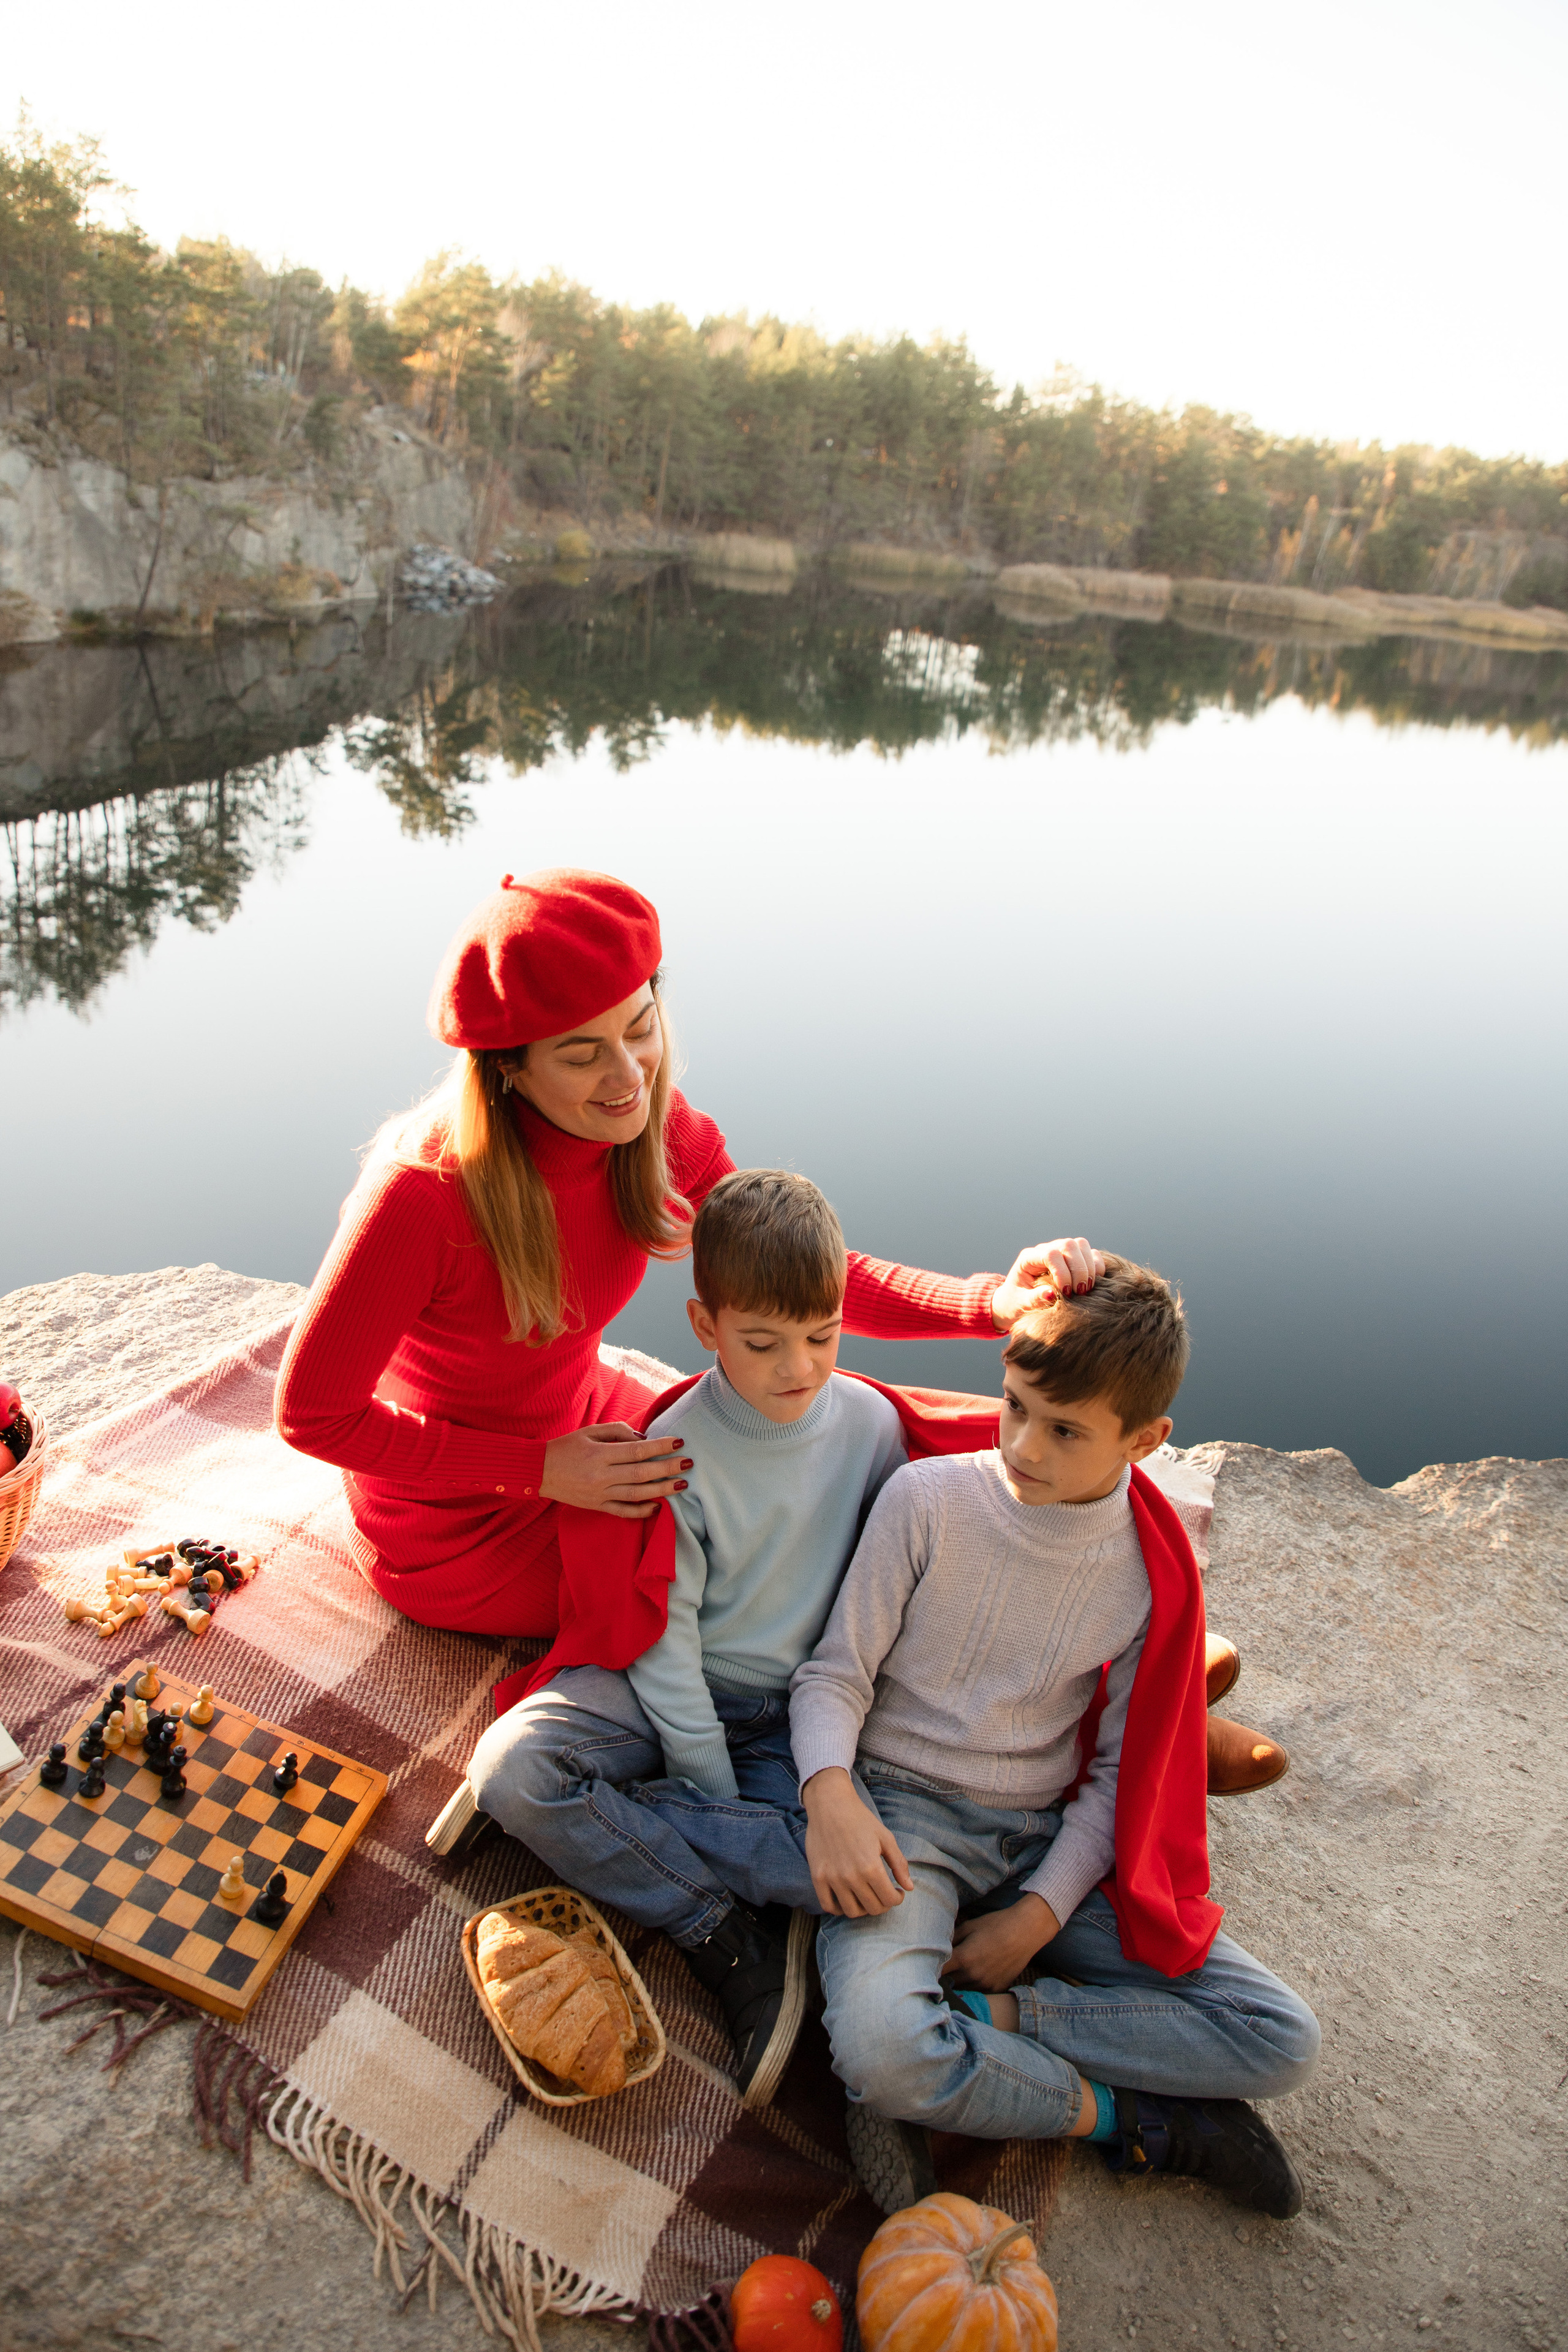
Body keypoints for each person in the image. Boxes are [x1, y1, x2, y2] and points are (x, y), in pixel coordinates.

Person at [274, 869, 1099, 1637]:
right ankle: (1024, 1678)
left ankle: (1078, 1617)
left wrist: (990, 1304)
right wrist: (539, 1469)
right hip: (460, 1521)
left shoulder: (650, 1128)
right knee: (762, 1574)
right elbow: (312, 1414)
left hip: (590, 1428)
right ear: (508, 1070)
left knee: (843, 1445)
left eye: (640, 1029)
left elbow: (801, 1276)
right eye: (581, 1054)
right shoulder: (419, 1195)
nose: (627, 1075)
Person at [791, 1259, 1320, 2220]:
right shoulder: (926, 1501)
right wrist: (829, 1794)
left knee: (1279, 2037)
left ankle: (978, 2026)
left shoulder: (1146, 1571)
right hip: (903, 1824)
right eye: (1015, 1407)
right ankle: (1138, 2120)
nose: (1024, 1446)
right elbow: (836, 1674)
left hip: (1040, 1834)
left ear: (1147, 1441)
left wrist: (1039, 1917)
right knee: (883, 2055)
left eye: (1066, 1431)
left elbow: (1120, 1767)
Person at [472, 1169, 930, 2105]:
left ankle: (622, 1828)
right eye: (762, 1343)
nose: (799, 1368)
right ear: (705, 1325)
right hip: (663, 1690)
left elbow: (894, 1582)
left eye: (823, 1336)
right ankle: (722, 1932)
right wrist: (704, 1779)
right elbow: (660, 1633)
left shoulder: (874, 1425)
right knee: (511, 1769)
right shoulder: (680, 1448)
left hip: (795, 1714)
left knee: (882, 1874)